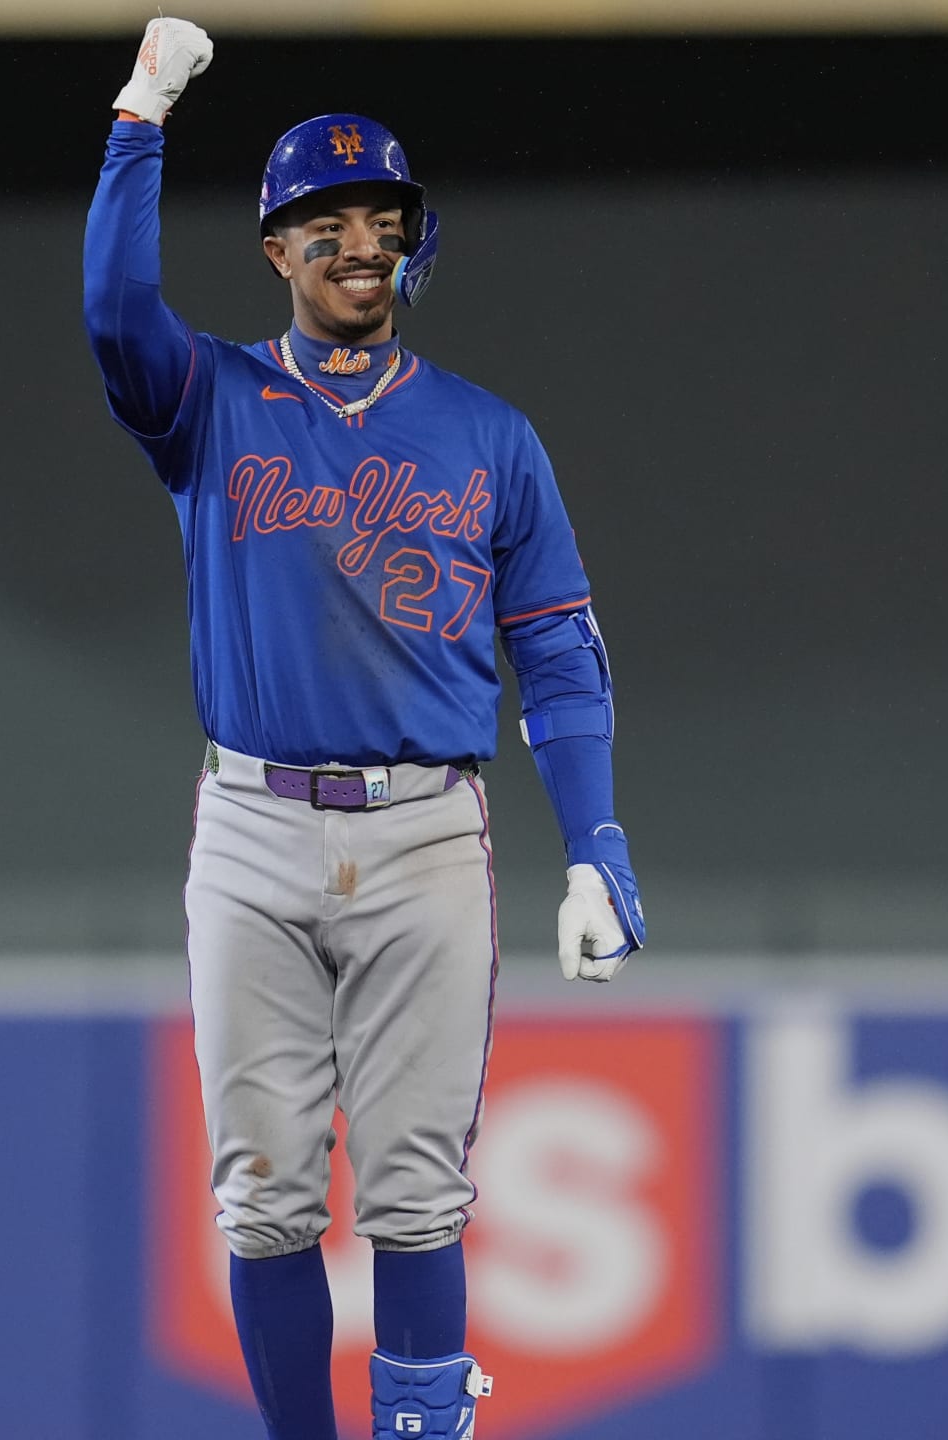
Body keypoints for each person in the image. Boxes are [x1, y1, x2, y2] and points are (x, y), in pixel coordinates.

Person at [82, 20, 646, 1439]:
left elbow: (558, 654)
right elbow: (113, 308)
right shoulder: (212, 397)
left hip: (424, 831)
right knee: (265, 1192)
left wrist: (596, 842)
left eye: (378, 218)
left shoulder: (490, 435)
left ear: (410, 241)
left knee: (415, 1192)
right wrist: (141, 118)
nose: (356, 243)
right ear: (276, 249)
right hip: (253, 822)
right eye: (323, 221)